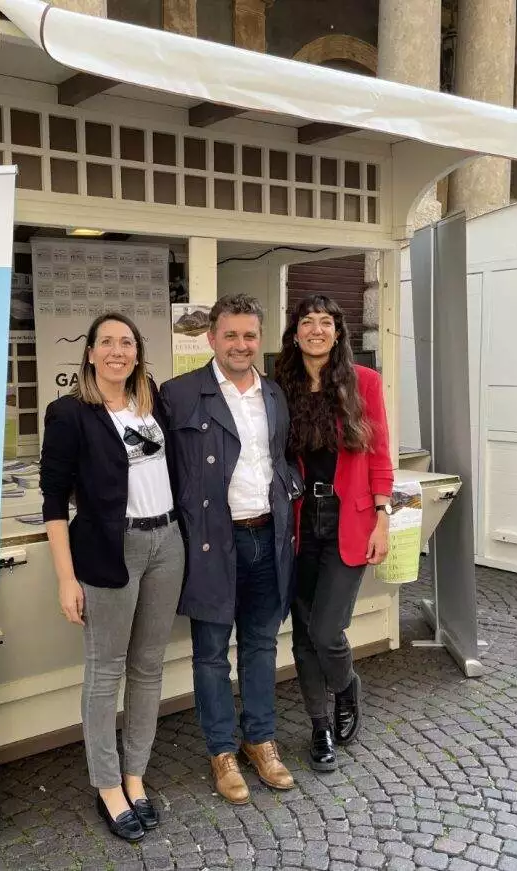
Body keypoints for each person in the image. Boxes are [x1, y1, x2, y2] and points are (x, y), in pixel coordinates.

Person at [40, 313, 185, 842]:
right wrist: (65, 578)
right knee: (106, 673)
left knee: (149, 667)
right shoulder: (69, 413)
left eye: (127, 343)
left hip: (168, 543)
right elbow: (53, 502)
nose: (117, 351)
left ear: (138, 353)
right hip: (108, 549)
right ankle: (106, 785)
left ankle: (135, 775)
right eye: (108, 343)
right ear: (91, 353)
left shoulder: (154, 406)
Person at [161, 293, 301, 805]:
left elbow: (279, 461)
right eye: (230, 335)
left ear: (257, 339)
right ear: (211, 338)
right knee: (211, 654)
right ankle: (221, 750)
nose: (241, 345)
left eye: (249, 335)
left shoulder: (275, 396)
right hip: (211, 542)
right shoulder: (178, 395)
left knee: (263, 644)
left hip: (267, 535)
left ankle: (260, 739)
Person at [272, 294, 392, 772]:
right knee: (302, 635)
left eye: (326, 322)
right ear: (295, 332)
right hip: (300, 524)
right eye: (307, 322)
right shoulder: (282, 385)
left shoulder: (364, 382)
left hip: (349, 519)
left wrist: (384, 517)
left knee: (326, 630)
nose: (316, 330)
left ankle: (346, 688)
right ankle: (319, 725)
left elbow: (380, 452)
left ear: (338, 332)